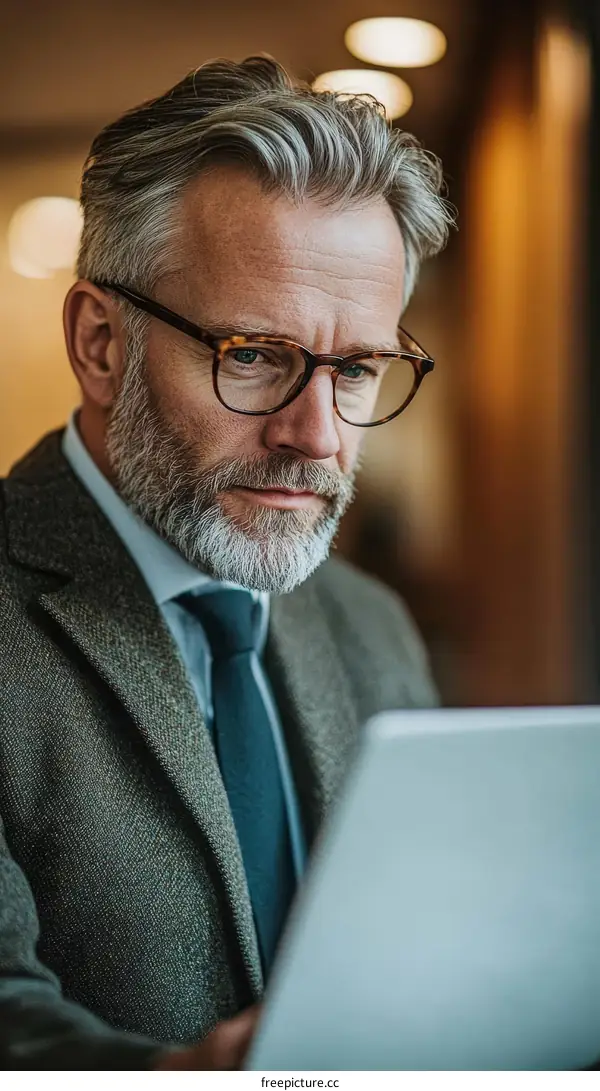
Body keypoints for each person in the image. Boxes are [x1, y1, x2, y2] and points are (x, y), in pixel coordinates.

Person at [0, 55, 454, 1070]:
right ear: (101, 343)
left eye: (357, 369)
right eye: (254, 353)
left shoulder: (373, 624)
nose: (318, 434)